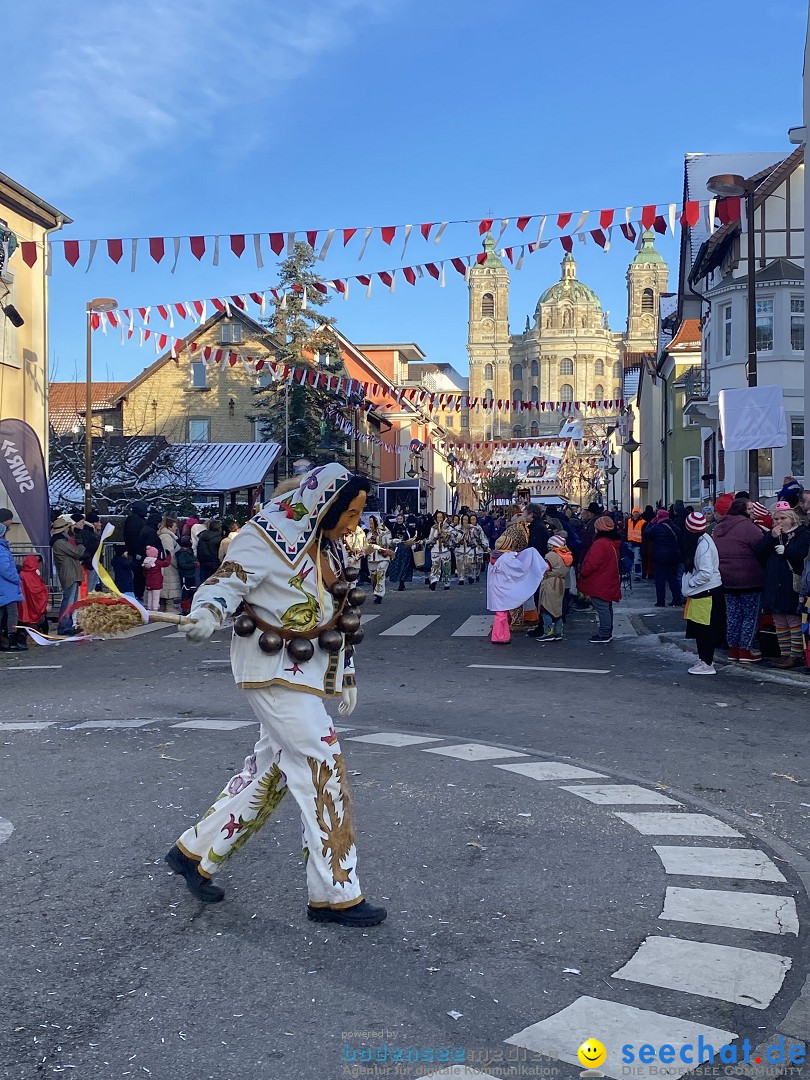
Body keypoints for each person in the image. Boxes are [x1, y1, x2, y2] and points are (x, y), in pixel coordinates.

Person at [166, 464, 387, 928]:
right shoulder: (263, 538)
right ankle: (334, 893)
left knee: (276, 771)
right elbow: (225, 581)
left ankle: (195, 851)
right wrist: (206, 611)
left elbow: (336, 611)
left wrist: (345, 672)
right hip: (272, 672)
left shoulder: (324, 543)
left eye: (357, 514)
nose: (355, 524)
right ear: (323, 505)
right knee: (322, 765)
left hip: (303, 672)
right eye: (350, 513)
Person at [756, 505, 810, 668]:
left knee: (792, 618)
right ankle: (784, 654)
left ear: (792, 518)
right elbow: (759, 553)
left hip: (791, 582)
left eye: (783, 518)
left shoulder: (803, 534)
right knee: (779, 620)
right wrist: (770, 538)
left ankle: (795, 655)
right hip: (774, 582)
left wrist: (786, 551)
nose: (779, 522)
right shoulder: (772, 535)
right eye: (776, 519)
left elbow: (802, 555)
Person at [712, 498, 765, 663]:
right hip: (748, 577)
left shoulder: (720, 526)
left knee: (733, 615)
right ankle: (745, 650)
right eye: (750, 508)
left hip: (726, 577)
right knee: (750, 615)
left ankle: (733, 649)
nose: (753, 511)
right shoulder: (748, 527)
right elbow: (761, 547)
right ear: (744, 510)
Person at [680, 512, 724, 675]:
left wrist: (692, 583)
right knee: (701, 629)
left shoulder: (702, 545)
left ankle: (707, 663)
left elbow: (706, 572)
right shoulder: (702, 541)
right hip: (704, 592)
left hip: (706, 592)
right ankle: (704, 660)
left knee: (705, 630)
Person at [577, 515, 621, 643]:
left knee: (601, 607)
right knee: (607, 606)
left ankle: (604, 633)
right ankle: (607, 631)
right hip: (608, 578)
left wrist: (583, 571)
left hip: (600, 580)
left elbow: (592, 563)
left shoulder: (600, 544)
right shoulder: (612, 543)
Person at [51, 515, 86, 635]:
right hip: (69, 574)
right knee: (68, 601)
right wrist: (80, 543)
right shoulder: (60, 542)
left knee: (71, 601)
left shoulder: (60, 541)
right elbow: (77, 553)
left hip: (71, 573)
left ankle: (67, 624)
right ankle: (64, 625)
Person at [535, 534, 572, 642]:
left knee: (546, 608)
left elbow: (545, 568)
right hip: (560, 582)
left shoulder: (551, 555)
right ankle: (558, 632)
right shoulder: (566, 555)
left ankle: (548, 633)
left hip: (550, 583)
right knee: (557, 609)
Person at [644, 509, 684, 607]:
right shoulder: (674, 527)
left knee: (660, 579)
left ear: (658, 517)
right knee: (673, 578)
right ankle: (677, 599)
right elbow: (680, 537)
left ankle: (661, 601)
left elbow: (646, 534)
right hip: (674, 556)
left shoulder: (656, 527)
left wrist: (651, 523)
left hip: (660, 557)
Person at [0, 521, 25, 651]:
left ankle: (5, 640)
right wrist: (16, 578)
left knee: (3, 614)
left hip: (4, 587)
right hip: (7, 587)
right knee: (12, 614)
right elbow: (4, 568)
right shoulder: (1, 548)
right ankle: (12, 641)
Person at [123, 500, 149, 600]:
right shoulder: (135, 521)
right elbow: (134, 538)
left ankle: (138, 594)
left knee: (139, 575)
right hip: (139, 552)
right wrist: (139, 552)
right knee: (139, 575)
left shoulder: (135, 519)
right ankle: (138, 595)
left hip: (137, 552)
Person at [364, 516, 392, 604]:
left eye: (372, 522)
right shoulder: (369, 533)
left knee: (380, 575)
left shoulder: (385, 532)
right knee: (373, 577)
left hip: (382, 557)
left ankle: (379, 594)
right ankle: (376, 591)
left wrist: (378, 540)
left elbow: (389, 542)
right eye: (370, 522)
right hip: (371, 558)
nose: (371, 524)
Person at [386, 514, 417, 592]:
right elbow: (390, 538)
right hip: (397, 548)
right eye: (398, 519)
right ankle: (399, 581)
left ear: (403, 519)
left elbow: (411, 536)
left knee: (405, 566)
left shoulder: (406, 527)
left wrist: (411, 544)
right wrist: (393, 541)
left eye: (401, 519)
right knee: (397, 565)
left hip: (406, 547)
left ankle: (402, 582)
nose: (399, 520)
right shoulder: (393, 527)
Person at [159, 516, 182, 612]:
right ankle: (169, 608)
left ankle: (165, 608)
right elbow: (169, 554)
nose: (176, 528)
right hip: (169, 568)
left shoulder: (165, 536)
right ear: (169, 527)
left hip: (167, 566)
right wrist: (178, 565)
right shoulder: (166, 537)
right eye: (175, 526)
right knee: (168, 589)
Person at [427, 510, 454, 592]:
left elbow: (452, 537)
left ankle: (446, 582)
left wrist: (446, 536)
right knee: (435, 566)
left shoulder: (448, 527)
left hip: (445, 550)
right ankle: (433, 581)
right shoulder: (433, 527)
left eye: (441, 517)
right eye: (438, 517)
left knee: (446, 566)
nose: (439, 519)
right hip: (435, 549)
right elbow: (430, 539)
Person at [143, 545, 172, 612]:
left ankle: (149, 609)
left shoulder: (145, 562)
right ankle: (155, 610)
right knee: (155, 597)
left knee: (149, 597)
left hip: (149, 582)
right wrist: (168, 556)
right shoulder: (157, 562)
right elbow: (166, 563)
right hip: (157, 582)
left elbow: (144, 573)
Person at [175, 536, 199, 614]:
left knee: (192, 591)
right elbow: (182, 565)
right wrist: (194, 565)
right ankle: (185, 609)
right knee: (186, 592)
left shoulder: (190, 551)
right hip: (185, 575)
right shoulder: (182, 553)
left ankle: (191, 607)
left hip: (192, 575)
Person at [468, 513, 489, 582]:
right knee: (470, 562)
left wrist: (485, 545)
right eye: (471, 519)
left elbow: (483, 537)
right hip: (470, 547)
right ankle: (471, 575)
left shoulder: (479, 528)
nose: (472, 521)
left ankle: (477, 574)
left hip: (478, 547)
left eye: (474, 519)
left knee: (478, 563)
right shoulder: (467, 528)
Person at [625, 508, 645, 578]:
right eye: (634, 512)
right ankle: (628, 573)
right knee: (629, 560)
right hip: (630, 543)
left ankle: (638, 575)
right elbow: (626, 531)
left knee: (637, 560)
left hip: (638, 544)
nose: (636, 514)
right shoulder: (629, 521)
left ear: (639, 513)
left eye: (637, 512)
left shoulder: (643, 522)